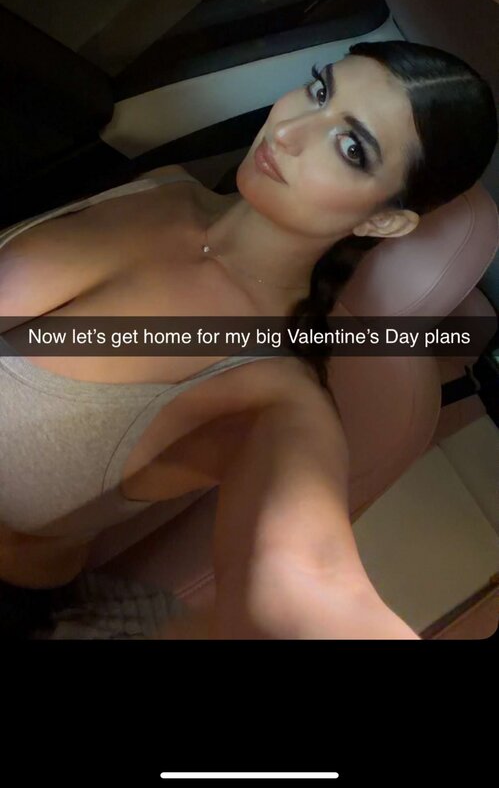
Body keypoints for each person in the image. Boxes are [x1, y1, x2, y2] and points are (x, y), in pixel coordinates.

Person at [0, 41, 497, 639]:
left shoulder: (276, 393)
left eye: (350, 147)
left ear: (382, 220)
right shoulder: (167, 186)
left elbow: (314, 583)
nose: (287, 132)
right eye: (319, 91)